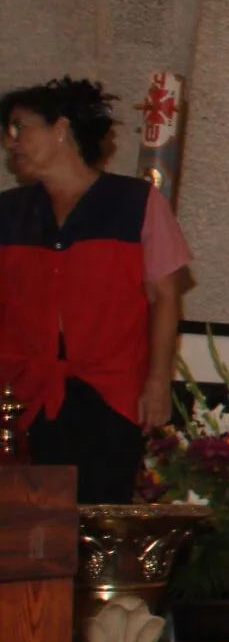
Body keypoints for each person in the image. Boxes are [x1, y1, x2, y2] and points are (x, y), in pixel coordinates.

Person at [0, 77, 189, 502]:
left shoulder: (136, 202)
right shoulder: (7, 213)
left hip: (110, 393)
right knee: (25, 528)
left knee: (96, 520)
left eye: (19, 127)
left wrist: (158, 381)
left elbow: (164, 298)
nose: (11, 142)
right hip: (20, 394)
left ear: (61, 128)